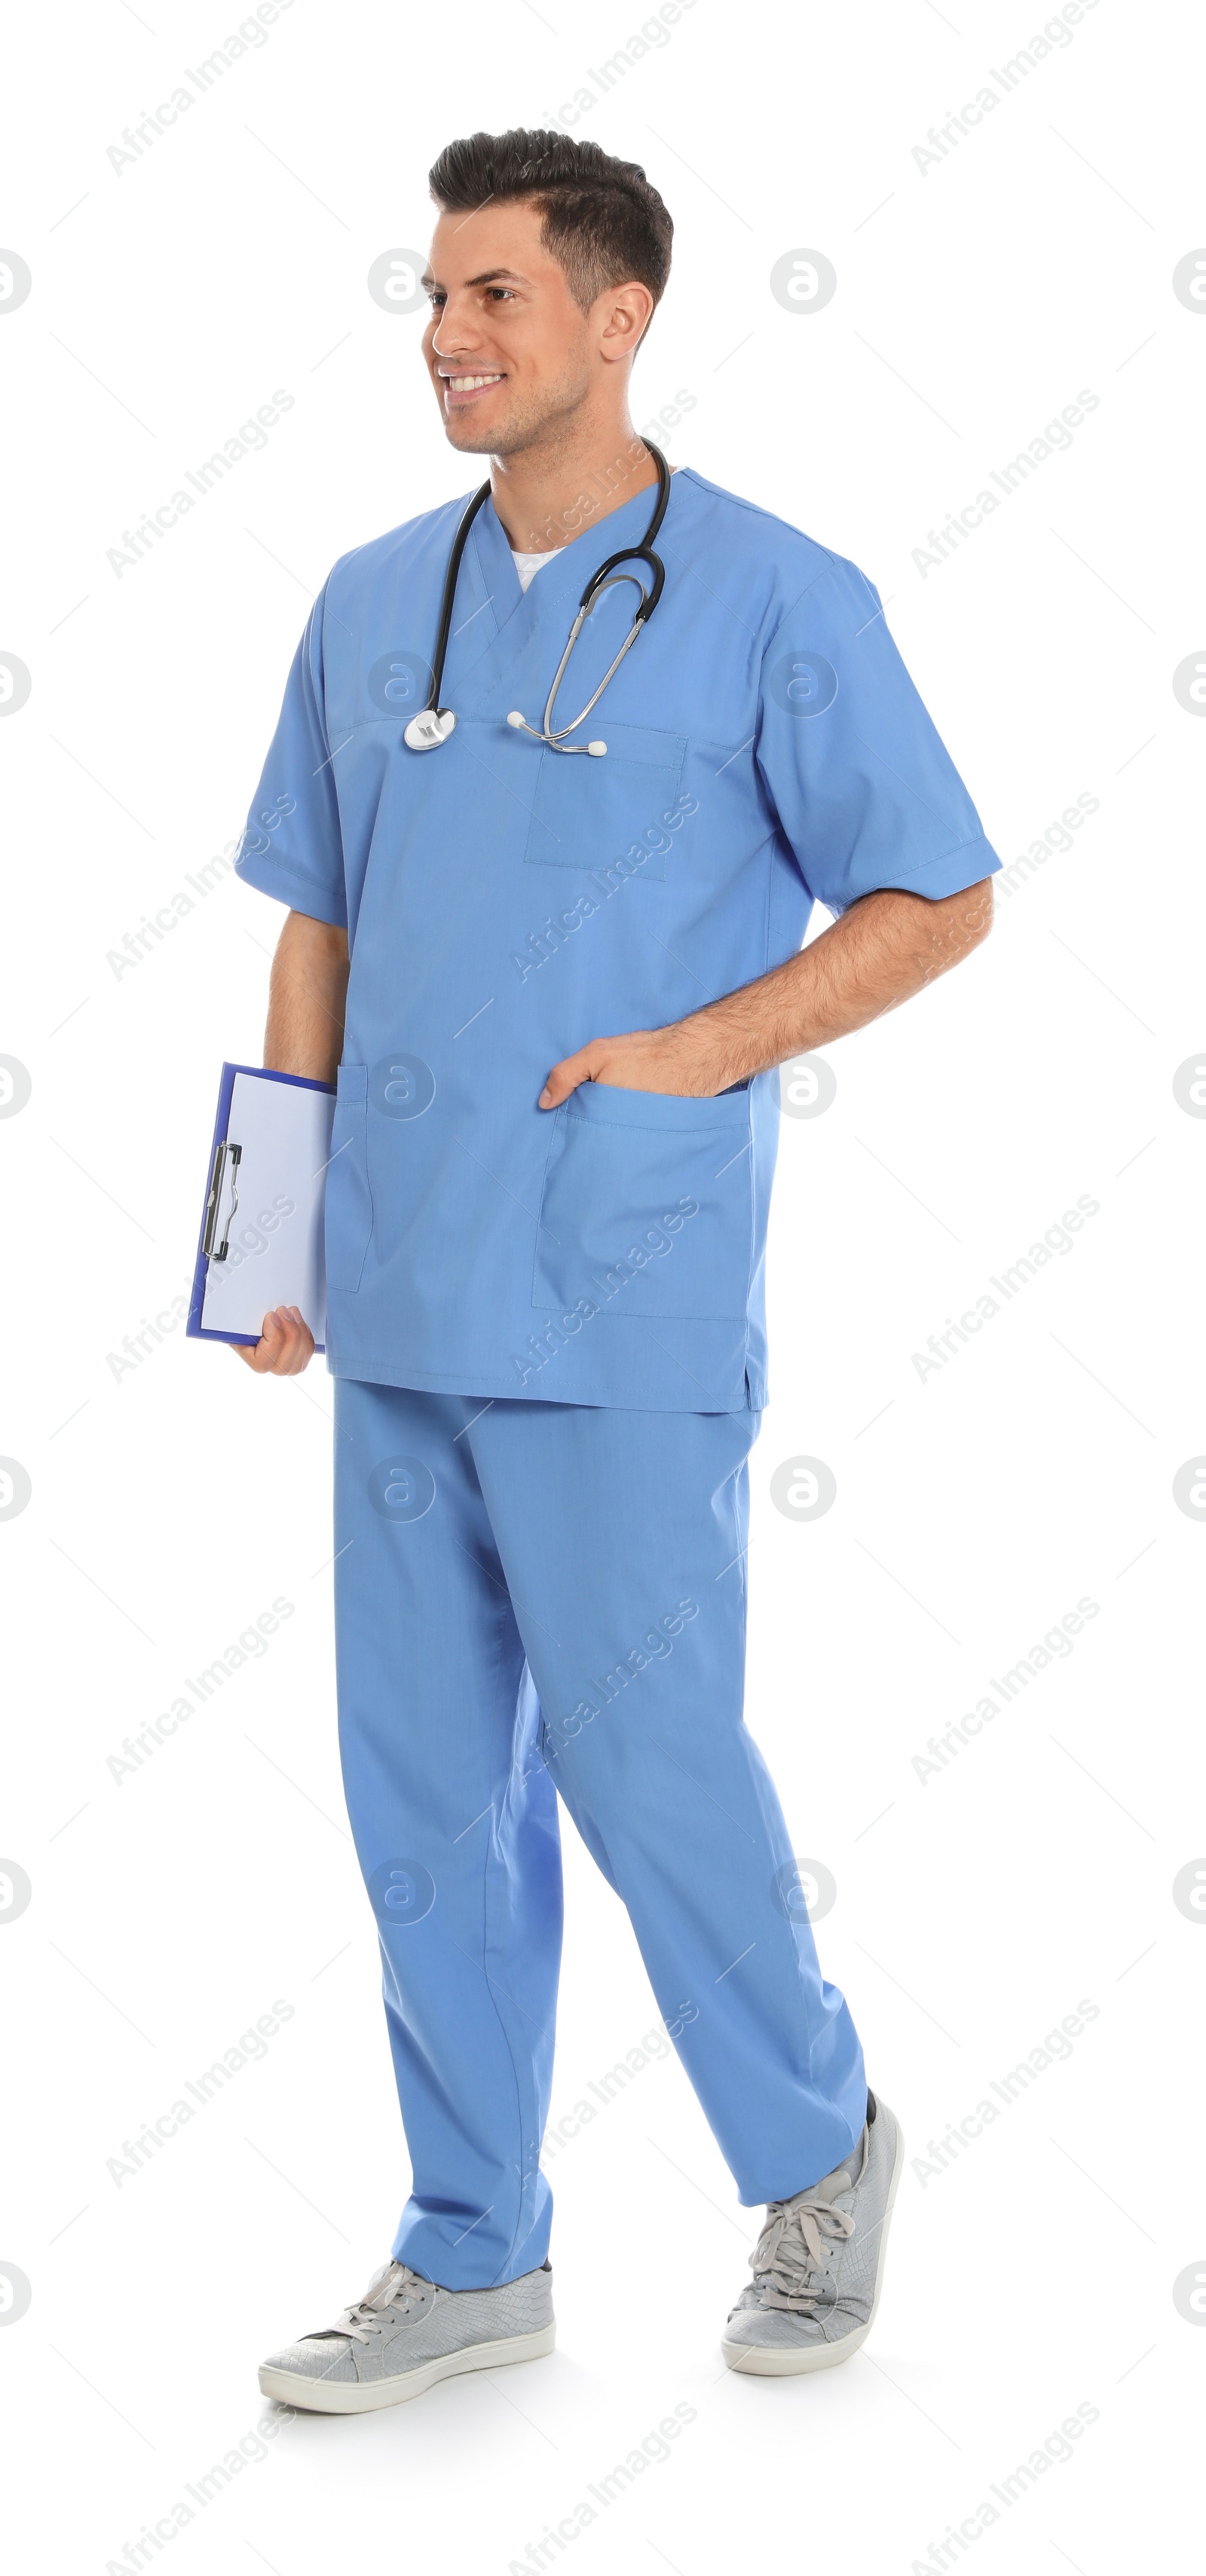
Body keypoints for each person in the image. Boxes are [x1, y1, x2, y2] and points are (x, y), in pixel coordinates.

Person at [234, 128, 998, 2414]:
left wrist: (698, 1048)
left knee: (650, 1759)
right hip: (395, 1301)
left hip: (620, 1294)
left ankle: (815, 2141)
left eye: (490, 299)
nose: (448, 339)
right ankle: (473, 2245)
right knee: (422, 1795)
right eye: (433, 304)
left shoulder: (776, 598)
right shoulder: (377, 599)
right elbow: (317, 919)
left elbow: (934, 894)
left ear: (617, 315)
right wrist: (263, 1239)